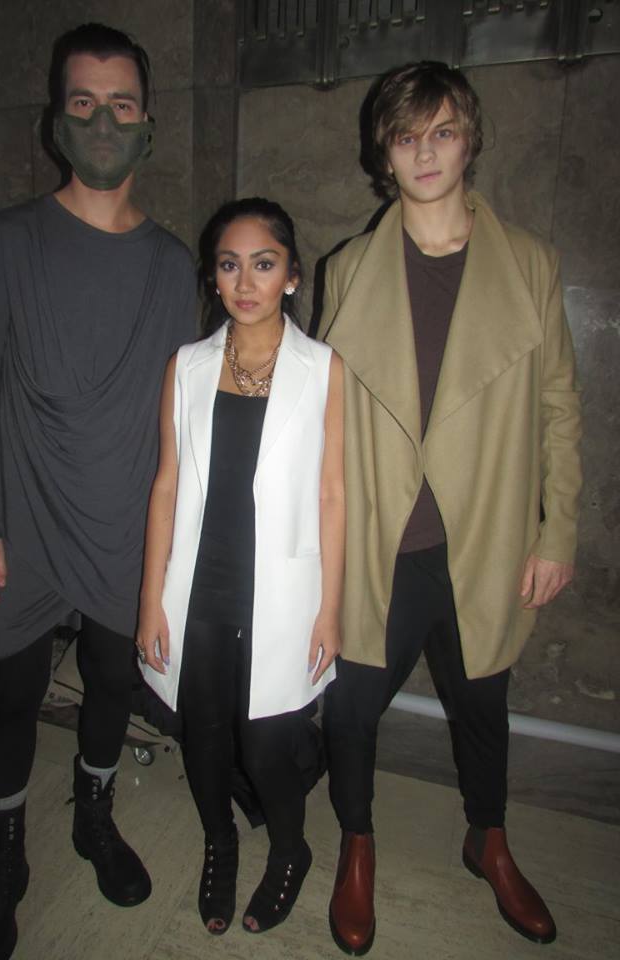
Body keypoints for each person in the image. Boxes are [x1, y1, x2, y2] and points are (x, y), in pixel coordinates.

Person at [318, 61, 582, 955]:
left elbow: (559, 409)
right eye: (406, 136)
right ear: (383, 153)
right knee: (350, 707)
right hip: (380, 541)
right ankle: (358, 842)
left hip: (484, 537)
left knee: (482, 704)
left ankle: (488, 839)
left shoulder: (531, 265)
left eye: (442, 132)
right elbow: (324, 420)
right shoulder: (348, 269)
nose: (424, 152)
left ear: (470, 141)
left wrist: (557, 530)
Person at [0, 23, 196, 960]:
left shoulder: (173, 264)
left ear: (148, 123)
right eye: (84, 102)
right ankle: (4, 858)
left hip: (125, 521)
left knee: (110, 680)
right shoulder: (2, 241)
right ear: (57, 119)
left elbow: (177, 414)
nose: (103, 122)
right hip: (23, 514)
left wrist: (176, 541)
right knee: (14, 692)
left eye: (122, 104)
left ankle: (94, 816)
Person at [136, 197, 345, 936]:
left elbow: (332, 493)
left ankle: (290, 850)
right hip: (198, 587)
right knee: (203, 733)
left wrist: (330, 609)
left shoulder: (323, 369)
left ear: (291, 275)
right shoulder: (187, 366)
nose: (246, 281)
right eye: (230, 265)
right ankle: (219, 842)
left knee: (266, 743)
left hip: (281, 592)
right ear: (214, 277)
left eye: (264, 264)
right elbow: (166, 485)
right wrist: (150, 600)